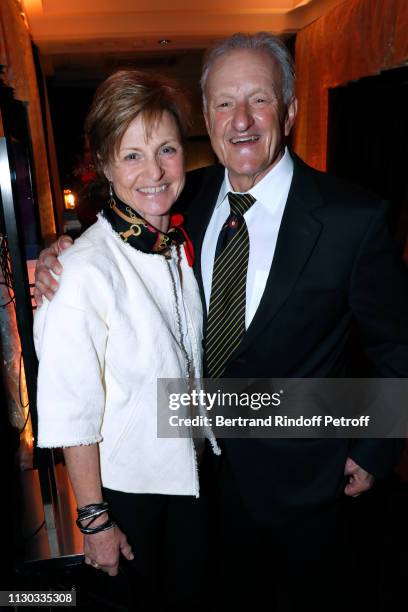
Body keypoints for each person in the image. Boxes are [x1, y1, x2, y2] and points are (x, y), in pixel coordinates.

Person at [35, 33, 408, 611]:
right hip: (194, 488)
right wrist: (64, 249)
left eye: (258, 99)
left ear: (288, 111)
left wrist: (376, 448)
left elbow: (398, 346)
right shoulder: (189, 195)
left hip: (307, 486)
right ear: (206, 118)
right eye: (223, 103)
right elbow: (122, 232)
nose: (241, 121)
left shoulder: (353, 218)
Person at [34, 69, 218, 612]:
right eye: (132, 155)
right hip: (130, 497)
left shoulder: (172, 240)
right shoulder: (84, 271)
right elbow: (73, 412)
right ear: (104, 164)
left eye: (165, 149)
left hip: (190, 480)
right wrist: (95, 521)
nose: (155, 172)